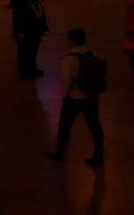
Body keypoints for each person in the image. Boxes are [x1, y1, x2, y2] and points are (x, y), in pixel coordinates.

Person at [45, 28, 106, 166]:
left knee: (65, 126)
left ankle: (60, 153)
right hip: (91, 97)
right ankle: (98, 154)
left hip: (74, 98)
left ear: (72, 41)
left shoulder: (70, 58)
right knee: (94, 125)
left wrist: (65, 95)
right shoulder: (91, 54)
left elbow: (66, 81)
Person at [9, 0, 49, 78]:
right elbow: (17, 19)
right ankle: (25, 72)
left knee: (32, 52)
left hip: (35, 30)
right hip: (26, 31)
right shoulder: (19, 2)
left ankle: (32, 69)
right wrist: (20, 33)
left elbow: (39, 12)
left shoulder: (33, 0)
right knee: (24, 53)